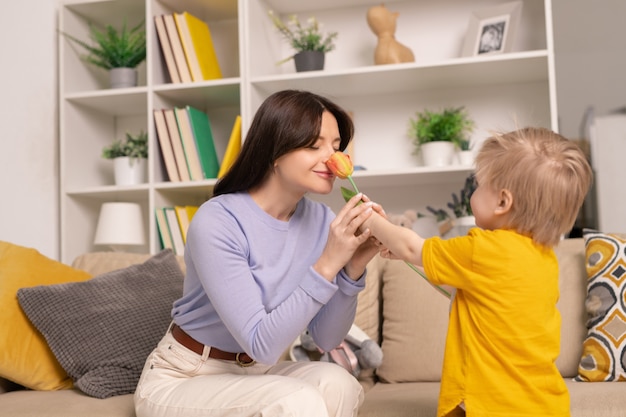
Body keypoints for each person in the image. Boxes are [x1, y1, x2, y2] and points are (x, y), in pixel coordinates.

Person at [134, 89, 383, 417]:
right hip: (185, 376)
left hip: (254, 374)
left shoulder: (323, 221)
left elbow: (325, 338)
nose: (332, 158)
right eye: (313, 145)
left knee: (338, 383)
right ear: (274, 151)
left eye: (336, 147)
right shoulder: (218, 220)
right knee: (296, 401)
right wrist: (326, 265)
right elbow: (262, 343)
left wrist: (353, 267)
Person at [361, 127, 592, 416]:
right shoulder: (544, 258)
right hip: (544, 403)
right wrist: (410, 257)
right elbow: (462, 289)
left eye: (479, 184)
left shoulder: (482, 249)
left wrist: (369, 217)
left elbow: (411, 247)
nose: (474, 189)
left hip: (493, 405)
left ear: (502, 202)